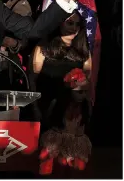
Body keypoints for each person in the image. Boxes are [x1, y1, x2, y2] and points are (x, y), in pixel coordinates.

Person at [31, 11, 92, 175]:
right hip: (47, 111)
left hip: (73, 116)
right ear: (58, 23)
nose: (74, 28)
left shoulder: (83, 51)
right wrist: (36, 109)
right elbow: (33, 81)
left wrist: (80, 85)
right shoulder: (43, 49)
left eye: (77, 24)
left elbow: (87, 82)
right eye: (69, 23)